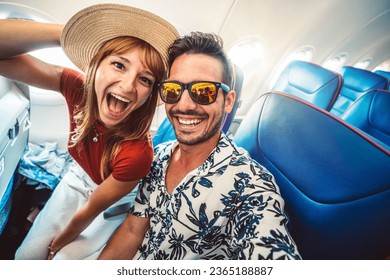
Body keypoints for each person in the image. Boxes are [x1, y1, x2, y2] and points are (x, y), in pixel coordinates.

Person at [99, 32, 302, 260]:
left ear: (228, 101)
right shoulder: (158, 156)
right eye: (173, 90)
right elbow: (133, 230)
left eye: (203, 92)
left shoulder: (250, 186)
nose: (184, 105)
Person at [0, 3, 179, 260]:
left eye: (145, 79)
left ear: (150, 94)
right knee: (25, 257)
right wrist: (68, 33)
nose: (128, 86)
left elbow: (90, 211)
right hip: (77, 177)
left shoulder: (138, 154)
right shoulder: (77, 88)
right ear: (96, 66)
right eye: (119, 65)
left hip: (112, 200)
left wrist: (58, 245)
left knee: (61, 262)